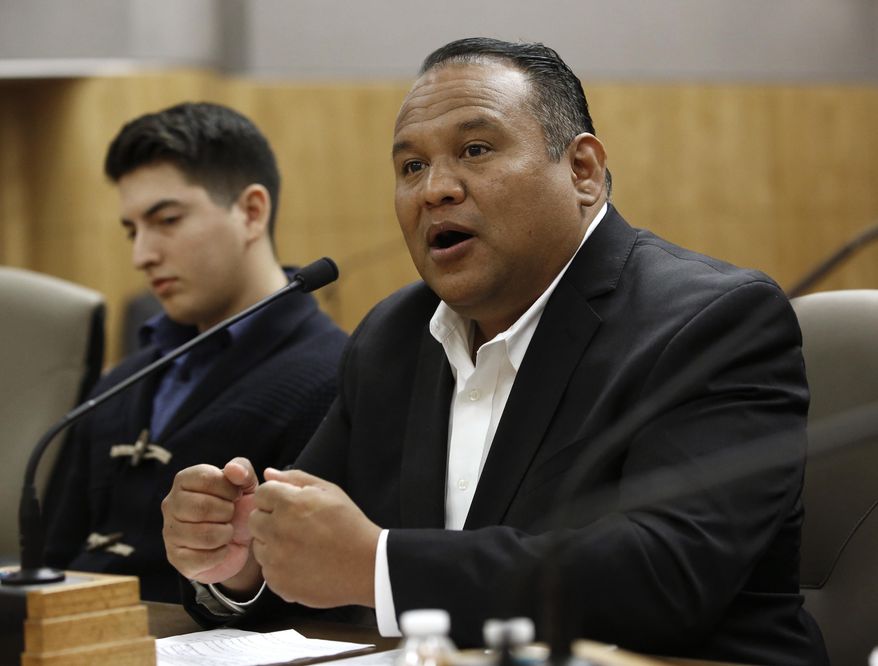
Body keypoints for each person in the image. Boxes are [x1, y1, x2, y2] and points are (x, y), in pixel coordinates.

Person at [160, 40, 828, 665]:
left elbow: (666, 577)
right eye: (411, 166)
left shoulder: (713, 322)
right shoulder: (396, 335)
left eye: (475, 150)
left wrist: (380, 566)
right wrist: (243, 557)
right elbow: (314, 555)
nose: (435, 189)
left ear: (584, 170)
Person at [44, 102, 348, 603]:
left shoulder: (334, 377)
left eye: (166, 219)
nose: (142, 254)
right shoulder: (124, 380)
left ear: (251, 212)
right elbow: (51, 561)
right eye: (132, 230)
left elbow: (322, 596)